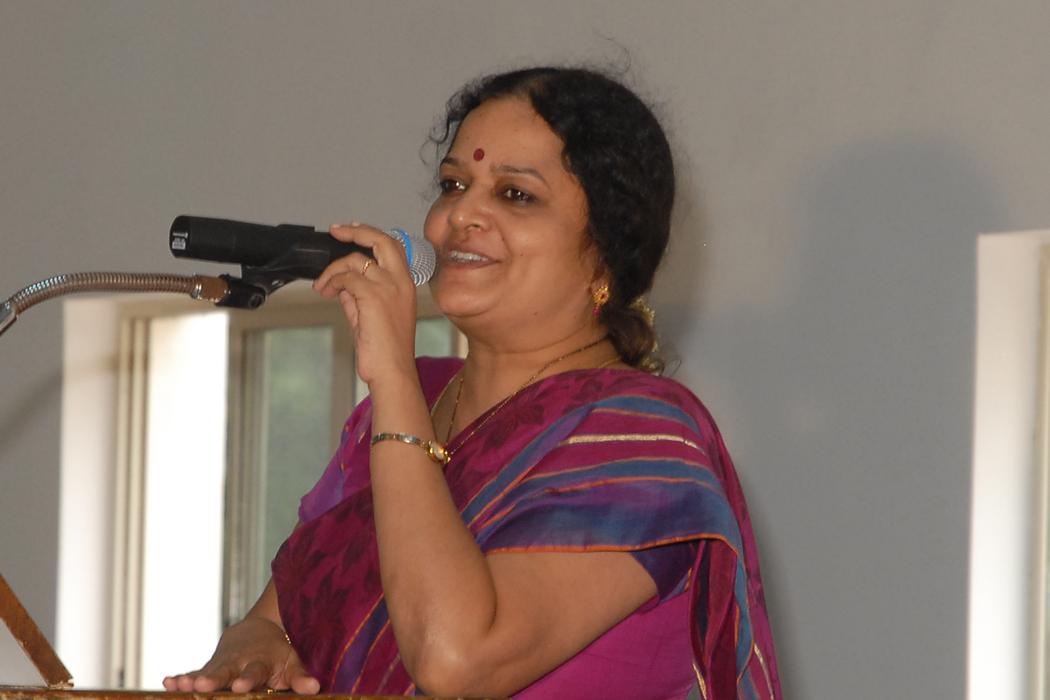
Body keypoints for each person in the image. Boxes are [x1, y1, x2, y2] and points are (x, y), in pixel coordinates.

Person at [163, 66, 782, 699]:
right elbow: (277, 618)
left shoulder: (643, 438)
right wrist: (252, 642)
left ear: (607, 251)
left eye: (515, 194)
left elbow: (455, 658)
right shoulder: (410, 401)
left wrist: (392, 378)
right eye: (453, 184)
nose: (461, 214)